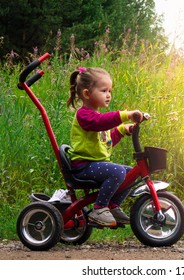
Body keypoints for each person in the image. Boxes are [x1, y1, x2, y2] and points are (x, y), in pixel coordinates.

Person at [67, 67, 142, 227]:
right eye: (103, 90)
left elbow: (106, 142)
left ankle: (112, 206)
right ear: (87, 94)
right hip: (84, 166)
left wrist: (122, 130)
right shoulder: (84, 115)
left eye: (110, 91)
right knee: (118, 171)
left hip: (94, 164)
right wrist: (126, 115)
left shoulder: (98, 116)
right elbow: (101, 123)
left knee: (130, 173)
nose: (108, 95)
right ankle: (99, 208)